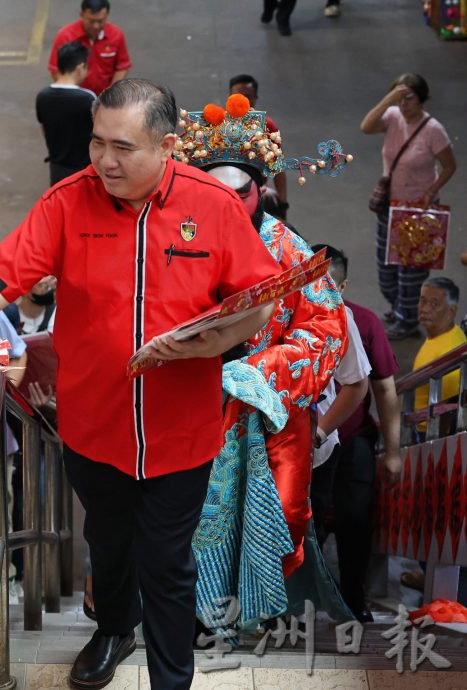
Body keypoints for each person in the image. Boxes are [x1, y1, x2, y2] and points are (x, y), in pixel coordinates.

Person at [0, 79, 281, 689]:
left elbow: (257, 298)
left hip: (181, 430)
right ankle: (114, 629)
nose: (104, 160)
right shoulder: (69, 200)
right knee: (109, 542)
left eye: (123, 147)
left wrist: (212, 342)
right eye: (98, 142)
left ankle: (171, 680)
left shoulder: (213, 206)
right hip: (93, 424)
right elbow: (3, 275)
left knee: (168, 563)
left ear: (168, 146)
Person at [174, 94, 349, 640]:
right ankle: (199, 614)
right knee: (190, 514)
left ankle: (265, 610)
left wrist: (265, 370)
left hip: (270, 410)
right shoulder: (177, 243)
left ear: (260, 190)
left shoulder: (289, 250)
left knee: (283, 511)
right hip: (192, 399)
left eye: (241, 192)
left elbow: (325, 329)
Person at [309, 244, 402, 623]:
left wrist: (394, 451)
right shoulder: (286, 320)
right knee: (305, 520)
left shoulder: (362, 322)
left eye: (329, 284)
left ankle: (353, 598)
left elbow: (384, 389)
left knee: (355, 518)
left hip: (351, 440)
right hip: (302, 442)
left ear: (343, 285)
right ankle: (302, 601)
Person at [360, 73, 457, 341]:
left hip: (417, 210)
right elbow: (366, 127)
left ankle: (408, 319)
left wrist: (431, 191)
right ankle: (400, 307)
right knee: (387, 269)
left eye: (408, 98)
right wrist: (389, 100)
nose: (403, 104)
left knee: (410, 274)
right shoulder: (392, 116)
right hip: (389, 208)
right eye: (399, 98)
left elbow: (450, 165)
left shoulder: (433, 130)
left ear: (422, 98)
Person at [228, 75, 288, 220]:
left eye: (248, 97)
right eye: (238, 96)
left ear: (255, 97)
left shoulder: (268, 126)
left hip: (257, 196)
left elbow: (277, 168)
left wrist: (283, 205)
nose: (243, 101)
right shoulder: (215, 125)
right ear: (229, 97)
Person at [37, 41, 96, 186]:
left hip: (57, 168)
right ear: (81, 67)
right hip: (84, 171)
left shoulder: (43, 96)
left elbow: (44, 129)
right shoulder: (88, 98)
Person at [48, 0, 131, 95]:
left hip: (104, 99)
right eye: (91, 21)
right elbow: (55, 70)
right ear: (81, 14)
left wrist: (110, 94)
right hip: (75, 97)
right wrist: (73, 93)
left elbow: (122, 67)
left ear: (107, 15)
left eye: (100, 21)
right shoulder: (65, 36)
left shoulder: (116, 35)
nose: (96, 26)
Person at [412, 277, 466, 422]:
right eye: (422, 301)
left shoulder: (447, 363)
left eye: (435, 304)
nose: (424, 309)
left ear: (452, 310)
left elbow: (447, 417)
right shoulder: (451, 331)